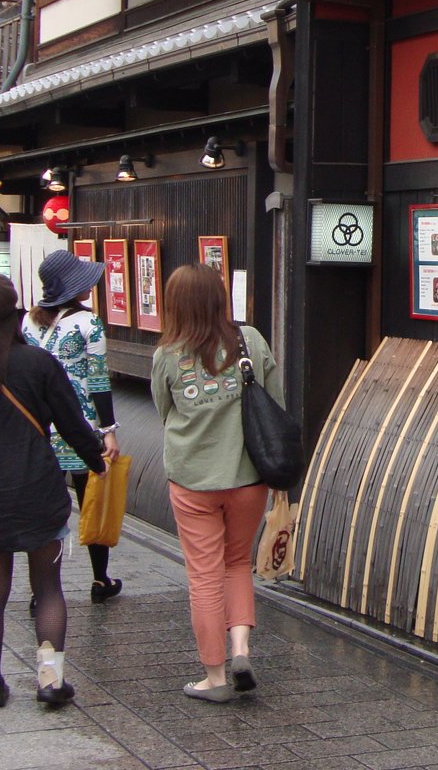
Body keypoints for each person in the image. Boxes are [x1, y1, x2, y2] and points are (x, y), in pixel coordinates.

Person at [0, 272, 108, 710]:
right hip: (38, 492)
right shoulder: (38, 364)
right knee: (48, 587)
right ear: (13, 313)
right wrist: (97, 463)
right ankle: (50, 681)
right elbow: (74, 425)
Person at [151, 263, 281, 703]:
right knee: (237, 563)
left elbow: (164, 411)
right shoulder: (251, 341)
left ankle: (215, 677)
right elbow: (275, 403)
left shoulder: (167, 354)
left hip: (192, 481)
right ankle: (242, 649)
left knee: (204, 576)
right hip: (248, 477)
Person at [21, 249, 122, 605]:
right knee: (92, 501)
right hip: (81, 428)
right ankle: (99, 579)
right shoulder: (88, 324)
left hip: (39, 427)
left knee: (47, 510)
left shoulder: (28, 322)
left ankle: (40, 590)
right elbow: (98, 381)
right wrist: (108, 429)